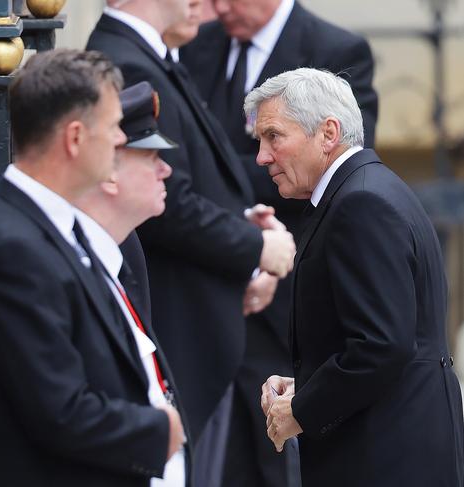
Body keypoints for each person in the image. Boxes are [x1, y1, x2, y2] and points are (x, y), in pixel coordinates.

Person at [0, 49, 186, 487]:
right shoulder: (14, 248)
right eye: (115, 129)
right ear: (75, 138)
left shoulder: (50, 223)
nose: (122, 142)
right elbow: (58, 410)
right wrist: (159, 431)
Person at [87, 1, 295, 472]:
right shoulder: (128, 60)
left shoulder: (152, 56)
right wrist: (257, 248)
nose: (203, 3)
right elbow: (165, 201)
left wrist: (247, 228)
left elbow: (188, 180)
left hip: (201, 316)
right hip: (180, 320)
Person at [179, 3, 378, 484]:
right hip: (202, 279)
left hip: (285, 293)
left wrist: (262, 247)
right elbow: (179, 160)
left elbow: (334, 171)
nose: (219, 7)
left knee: (277, 452)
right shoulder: (195, 45)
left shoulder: (336, 50)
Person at [250, 67, 464, 487]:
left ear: (328, 133)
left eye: (274, 136)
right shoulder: (365, 190)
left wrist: (301, 411)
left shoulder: (360, 201)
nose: (262, 156)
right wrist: (306, 385)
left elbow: (382, 345)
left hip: (387, 455)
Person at [74, 80, 189, 486]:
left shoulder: (124, 245)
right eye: (151, 156)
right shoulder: (70, 263)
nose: (166, 169)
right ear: (107, 172)